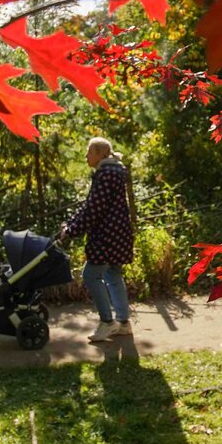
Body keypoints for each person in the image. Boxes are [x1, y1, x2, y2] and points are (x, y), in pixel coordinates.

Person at [59, 136, 135, 343]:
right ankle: (124, 323)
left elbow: (93, 210)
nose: (86, 155)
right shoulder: (113, 172)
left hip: (107, 236)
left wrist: (72, 230)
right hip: (118, 233)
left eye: (89, 152)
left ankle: (107, 322)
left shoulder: (106, 175)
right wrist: (71, 223)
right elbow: (90, 206)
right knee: (113, 274)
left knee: (90, 275)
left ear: (101, 154)